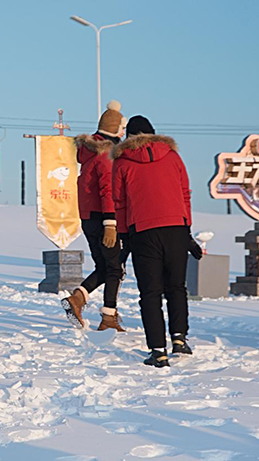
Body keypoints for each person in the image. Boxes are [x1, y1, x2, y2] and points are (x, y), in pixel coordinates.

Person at [112, 115, 202, 367]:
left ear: (128, 137)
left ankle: (158, 351)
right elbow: (185, 194)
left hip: (143, 231)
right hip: (176, 228)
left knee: (150, 292)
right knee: (176, 287)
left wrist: (124, 236)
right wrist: (186, 230)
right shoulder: (172, 156)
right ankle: (179, 339)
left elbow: (119, 202)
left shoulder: (122, 162)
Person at [61, 101, 128, 331]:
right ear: (115, 129)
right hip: (104, 218)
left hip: (88, 218)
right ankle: (108, 317)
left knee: (104, 266)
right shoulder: (107, 154)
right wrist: (111, 223)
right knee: (115, 269)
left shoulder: (89, 154)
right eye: (122, 128)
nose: (124, 133)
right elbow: (108, 190)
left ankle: (78, 298)